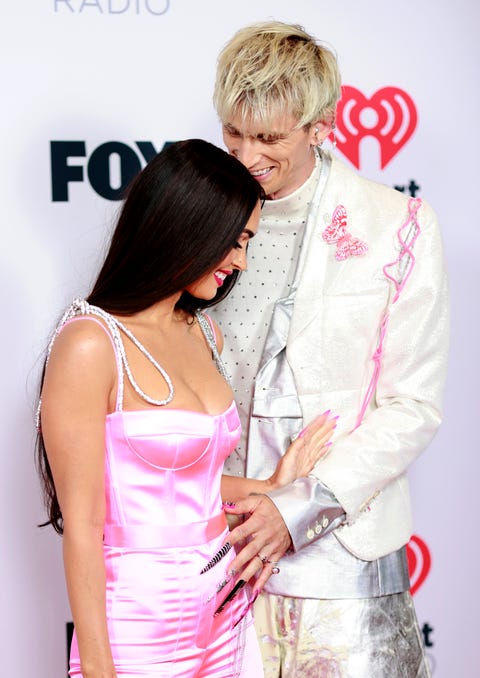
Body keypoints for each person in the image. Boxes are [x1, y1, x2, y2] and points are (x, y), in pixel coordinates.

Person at [35, 139, 336, 678]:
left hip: (224, 609)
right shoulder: (90, 343)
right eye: (236, 241)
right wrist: (99, 668)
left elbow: (185, 484)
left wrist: (273, 486)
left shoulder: (203, 332)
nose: (241, 261)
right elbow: (83, 525)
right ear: (188, 226)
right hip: (137, 628)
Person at [209, 21, 449, 678]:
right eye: (233, 131)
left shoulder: (397, 224)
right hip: (215, 551)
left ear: (320, 126)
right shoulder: (199, 221)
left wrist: (299, 508)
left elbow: (413, 405)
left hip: (344, 565)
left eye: (268, 137)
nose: (246, 154)